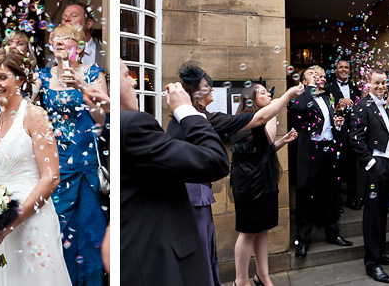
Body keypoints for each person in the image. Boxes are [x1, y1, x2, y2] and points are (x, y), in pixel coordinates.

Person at [168, 62, 301, 285]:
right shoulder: (200, 120)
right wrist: (288, 94)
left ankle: (257, 276)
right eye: (207, 87)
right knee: (201, 248)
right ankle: (241, 281)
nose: (211, 90)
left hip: (196, 192)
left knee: (209, 246)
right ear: (196, 96)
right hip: (195, 195)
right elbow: (259, 120)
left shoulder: (195, 119)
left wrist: (281, 140)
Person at [120, 61, 230, 284]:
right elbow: (216, 161)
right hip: (161, 266)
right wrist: (185, 110)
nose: (134, 81)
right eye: (126, 75)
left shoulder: (117, 125)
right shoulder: (134, 125)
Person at [0, 48, 71, 284]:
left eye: (2, 77)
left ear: (20, 79)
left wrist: (12, 221)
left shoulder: (34, 115)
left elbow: (51, 178)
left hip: (31, 221)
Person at [36, 23, 108, 286]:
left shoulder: (92, 74)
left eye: (67, 39)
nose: (59, 43)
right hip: (54, 165)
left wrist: (81, 86)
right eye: (55, 39)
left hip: (85, 163)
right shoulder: (42, 77)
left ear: (78, 46)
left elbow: (101, 120)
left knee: (90, 233)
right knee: (56, 231)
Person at [230, 84, 298, 286]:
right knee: (248, 230)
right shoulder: (247, 120)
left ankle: (262, 275)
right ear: (250, 98)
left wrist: (282, 141)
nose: (269, 94)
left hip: (264, 179)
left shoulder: (262, 117)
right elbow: (265, 139)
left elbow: (263, 151)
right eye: (263, 92)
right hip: (249, 183)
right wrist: (276, 109)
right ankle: (240, 281)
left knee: (263, 228)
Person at [289, 65, 352, 259]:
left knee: (331, 193)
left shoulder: (328, 97)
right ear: (304, 80)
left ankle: (333, 233)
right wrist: (309, 87)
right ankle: (303, 241)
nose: (319, 77)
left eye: (321, 75)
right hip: (311, 152)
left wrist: (338, 123)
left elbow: (332, 123)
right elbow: (299, 109)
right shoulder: (298, 97)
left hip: (329, 151)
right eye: (313, 74)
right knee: (306, 195)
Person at [350, 68, 389, 283]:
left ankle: (379, 254)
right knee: (371, 215)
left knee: (381, 212)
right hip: (375, 166)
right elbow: (356, 139)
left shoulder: (385, 107)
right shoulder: (362, 106)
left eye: (383, 83)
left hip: (388, 164)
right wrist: (371, 163)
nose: (380, 86)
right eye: (376, 83)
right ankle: (372, 264)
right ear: (368, 83)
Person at [325, 59, 361, 210]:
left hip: (353, 132)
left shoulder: (355, 88)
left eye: (346, 67)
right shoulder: (328, 87)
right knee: (337, 169)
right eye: (341, 67)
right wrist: (339, 103)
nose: (344, 69)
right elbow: (326, 107)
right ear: (336, 70)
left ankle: (353, 199)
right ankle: (336, 203)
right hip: (337, 133)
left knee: (353, 168)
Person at [48, 0, 104, 69]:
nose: (66, 19)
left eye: (74, 16)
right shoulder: (54, 56)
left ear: (88, 23)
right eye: (63, 18)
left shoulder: (106, 53)